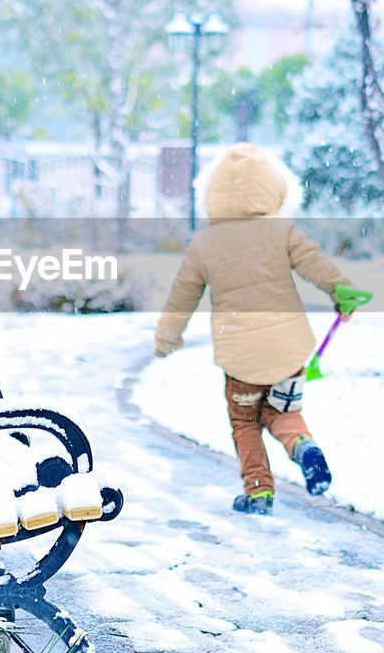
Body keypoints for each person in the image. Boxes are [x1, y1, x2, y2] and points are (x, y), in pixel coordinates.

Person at [154, 143, 360, 515]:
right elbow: (316, 265)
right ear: (272, 189)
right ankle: (302, 446)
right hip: (288, 349)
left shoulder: (205, 244)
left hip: (240, 356)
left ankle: (259, 491)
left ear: (214, 195)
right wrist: (341, 291)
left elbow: (182, 295)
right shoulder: (282, 232)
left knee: (245, 422)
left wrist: (168, 336)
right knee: (283, 411)